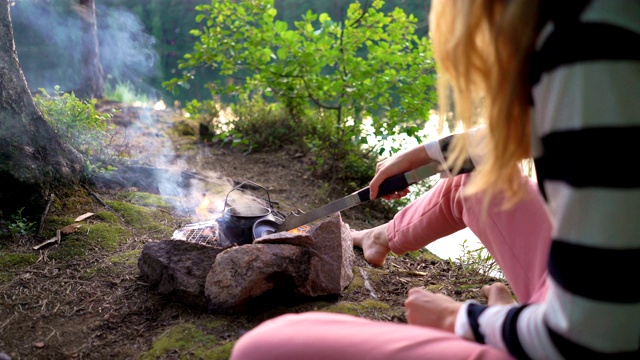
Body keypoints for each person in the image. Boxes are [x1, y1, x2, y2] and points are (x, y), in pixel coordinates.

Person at [230, 0, 640, 358]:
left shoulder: (591, 45)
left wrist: (465, 318)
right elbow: (529, 133)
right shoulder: (597, 23)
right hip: (576, 293)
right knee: (475, 180)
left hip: (580, 332)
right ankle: (380, 237)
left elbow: (594, 336)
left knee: (264, 347)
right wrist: (420, 155)